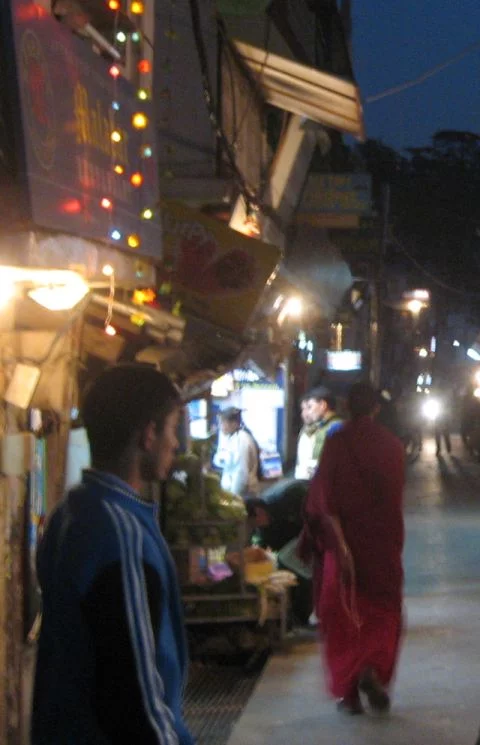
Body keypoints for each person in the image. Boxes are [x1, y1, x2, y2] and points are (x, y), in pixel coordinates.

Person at [32, 364, 195, 745]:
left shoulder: (72, 512)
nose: (176, 444)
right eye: (172, 429)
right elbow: (132, 698)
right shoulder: (119, 534)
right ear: (149, 435)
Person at [298, 382, 405, 715]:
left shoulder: (337, 443)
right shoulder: (392, 445)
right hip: (382, 545)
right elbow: (393, 498)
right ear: (376, 408)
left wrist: (333, 539)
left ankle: (349, 691)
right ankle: (372, 667)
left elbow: (322, 496)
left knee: (341, 614)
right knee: (383, 612)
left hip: (342, 544)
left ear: (346, 406)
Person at [215, 407, 260, 499]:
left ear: (234, 424)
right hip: (231, 491)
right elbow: (219, 459)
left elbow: (241, 472)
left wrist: (234, 498)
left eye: (222, 422)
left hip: (241, 493)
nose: (220, 426)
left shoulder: (242, 440)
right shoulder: (230, 438)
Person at [294, 393, 317, 480]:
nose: (305, 414)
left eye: (308, 408)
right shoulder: (304, 431)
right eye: (303, 409)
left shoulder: (322, 432)